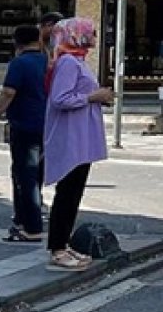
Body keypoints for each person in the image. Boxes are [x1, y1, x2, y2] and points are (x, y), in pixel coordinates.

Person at [43, 18, 114, 271]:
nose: (95, 35)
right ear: (76, 35)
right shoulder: (68, 63)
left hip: (81, 135)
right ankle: (57, 248)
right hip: (71, 136)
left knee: (74, 192)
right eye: (90, 32)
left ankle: (63, 243)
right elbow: (61, 98)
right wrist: (94, 96)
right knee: (67, 192)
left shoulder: (77, 61)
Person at [0, 25, 49, 242]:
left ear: (17, 43)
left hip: (25, 125)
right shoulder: (48, 62)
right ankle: (25, 221)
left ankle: (30, 227)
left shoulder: (19, 63)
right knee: (35, 175)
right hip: (46, 125)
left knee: (25, 176)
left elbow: (8, 92)